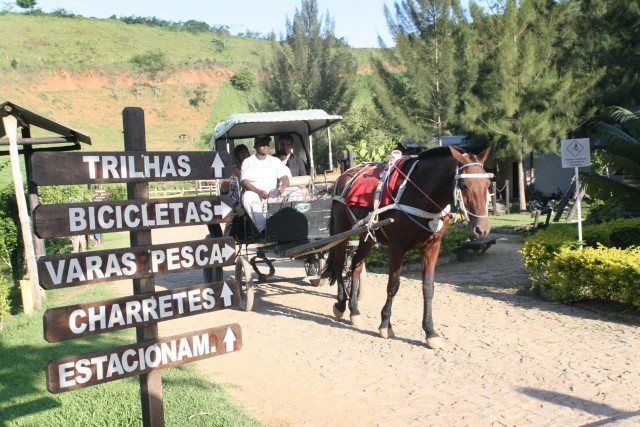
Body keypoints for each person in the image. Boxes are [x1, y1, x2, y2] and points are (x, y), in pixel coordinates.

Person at [241, 135, 290, 234]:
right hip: (256, 194)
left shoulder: (275, 160)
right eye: (262, 144)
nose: (265, 146)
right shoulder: (248, 162)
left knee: (298, 191)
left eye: (267, 144)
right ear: (255, 146)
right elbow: (244, 181)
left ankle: (294, 225)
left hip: (273, 193)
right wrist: (259, 192)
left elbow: (285, 178)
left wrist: (282, 187)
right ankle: (265, 230)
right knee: (247, 197)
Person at [208, 143, 251, 238]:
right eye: (241, 152)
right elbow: (226, 183)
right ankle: (217, 238)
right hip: (234, 199)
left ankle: (227, 236)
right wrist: (219, 183)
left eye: (245, 152)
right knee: (210, 213)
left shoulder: (254, 166)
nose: (244, 154)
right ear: (237, 155)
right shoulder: (234, 168)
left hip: (246, 198)